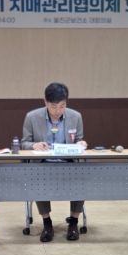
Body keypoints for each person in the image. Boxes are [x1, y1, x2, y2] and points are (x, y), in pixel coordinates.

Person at [21, 82, 87, 242]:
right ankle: (47, 223)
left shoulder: (76, 116)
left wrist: (81, 143)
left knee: (82, 178)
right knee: (38, 178)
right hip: (43, 164)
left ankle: (74, 222)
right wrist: (34, 145)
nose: (58, 111)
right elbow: (24, 143)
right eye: (53, 107)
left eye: (62, 106)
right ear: (45, 102)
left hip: (69, 164)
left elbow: (79, 140)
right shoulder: (32, 117)